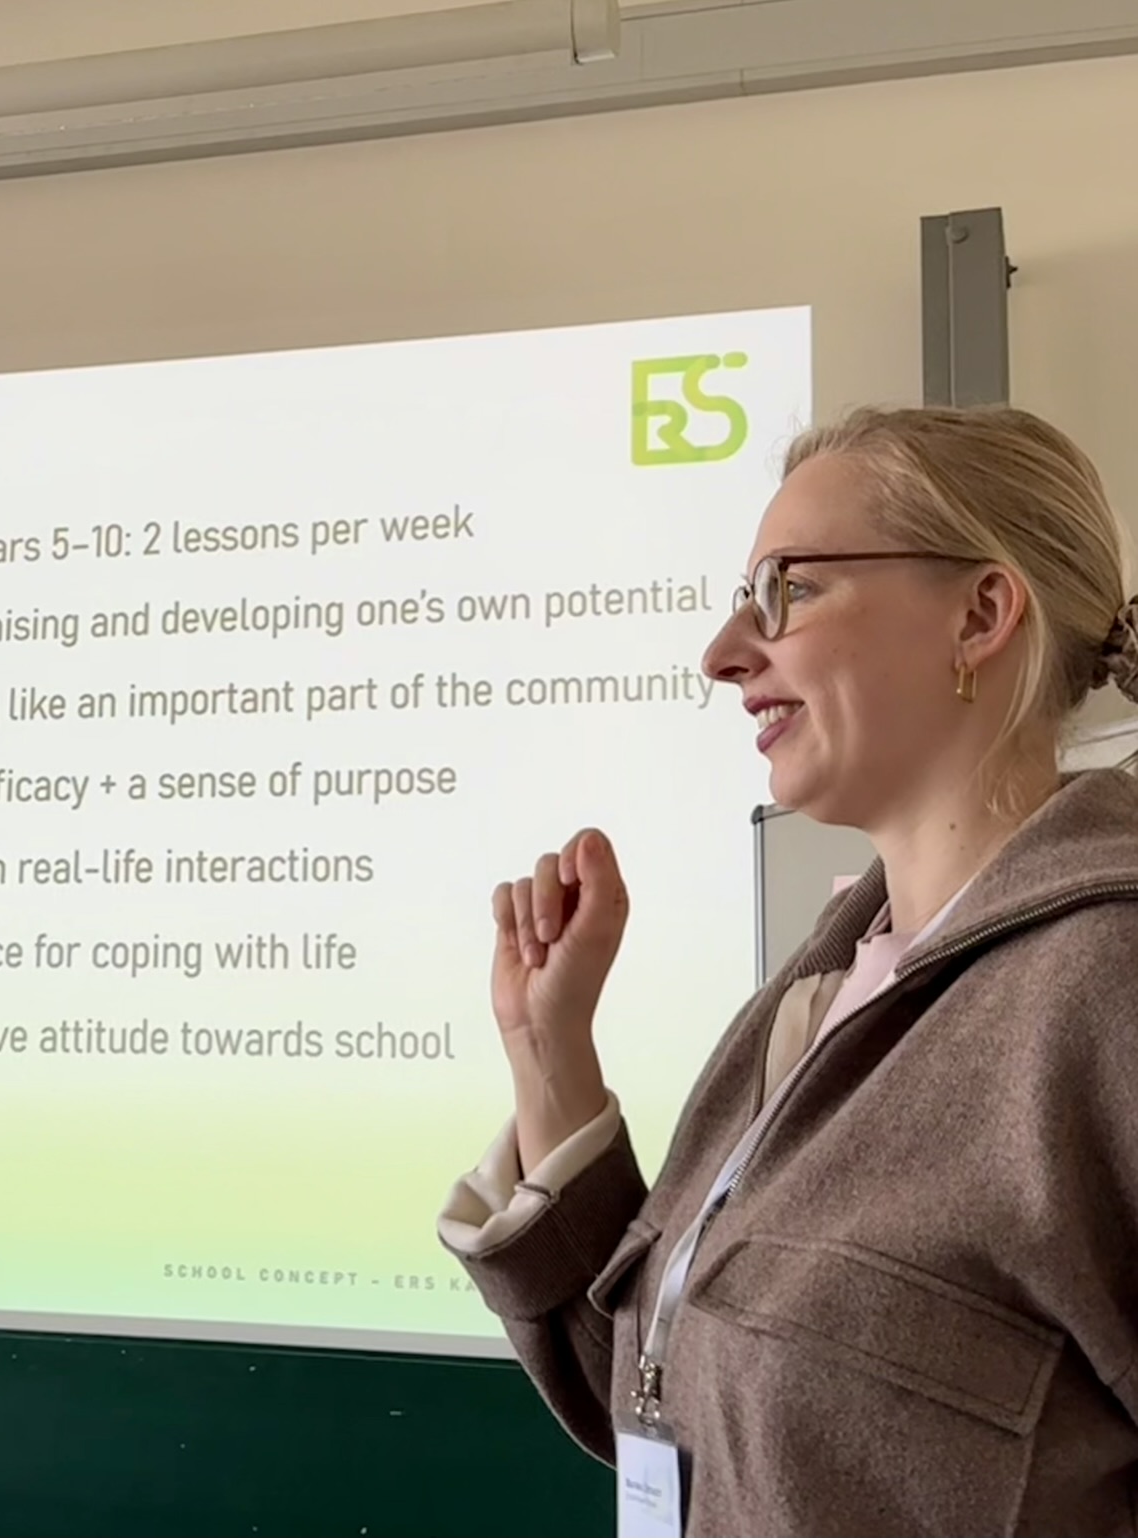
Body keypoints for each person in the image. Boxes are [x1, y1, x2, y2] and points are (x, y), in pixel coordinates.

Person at [438, 404, 1138, 1536]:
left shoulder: (1109, 988)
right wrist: (545, 1051)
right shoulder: (812, 999)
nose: (722, 653)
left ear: (979, 615)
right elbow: (661, 1400)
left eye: (789, 589)